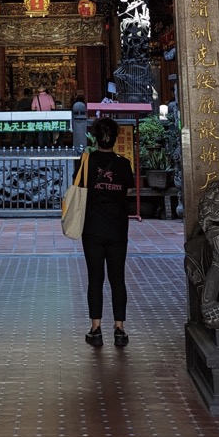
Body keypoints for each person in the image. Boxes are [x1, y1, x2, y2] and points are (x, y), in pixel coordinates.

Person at [78, 117, 134, 348]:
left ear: (95, 137)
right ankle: (120, 329)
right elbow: (127, 191)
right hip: (118, 228)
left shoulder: (87, 161)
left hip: (92, 227)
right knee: (117, 278)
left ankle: (96, 328)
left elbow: (78, 188)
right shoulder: (123, 163)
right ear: (115, 138)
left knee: (95, 279)